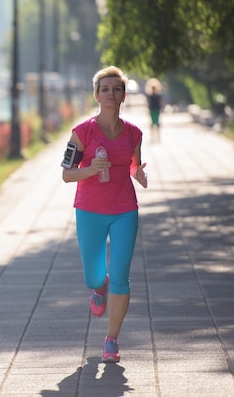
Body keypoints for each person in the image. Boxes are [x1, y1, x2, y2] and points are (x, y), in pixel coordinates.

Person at [61, 65, 148, 363]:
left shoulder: (134, 133)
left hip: (125, 209)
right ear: (97, 95)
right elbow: (67, 175)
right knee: (94, 275)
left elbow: (133, 164)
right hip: (89, 210)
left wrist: (139, 174)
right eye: (106, 89)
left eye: (117, 89)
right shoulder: (82, 132)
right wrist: (91, 169)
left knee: (122, 276)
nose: (112, 93)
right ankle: (99, 288)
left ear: (124, 95)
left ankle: (111, 340)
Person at [145, 78, 163, 143]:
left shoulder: (158, 95)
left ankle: (158, 137)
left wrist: (162, 108)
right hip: (152, 110)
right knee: (152, 124)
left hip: (157, 110)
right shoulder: (149, 96)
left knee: (157, 123)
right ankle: (152, 137)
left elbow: (161, 102)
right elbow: (148, 103)